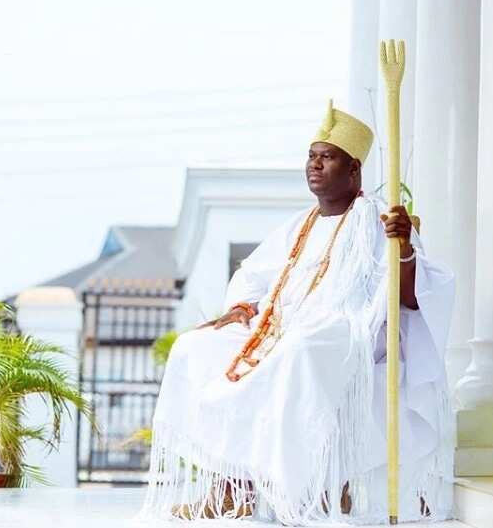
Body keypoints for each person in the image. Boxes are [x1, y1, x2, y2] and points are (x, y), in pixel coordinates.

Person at [136, 100, 456, 525]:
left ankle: (316, 491)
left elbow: (412, 298)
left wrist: (406, 250)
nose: (315, 165)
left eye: (328, 158)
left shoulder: (378, 220)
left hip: (349, 333)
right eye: (311, 156)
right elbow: (253, 277)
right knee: (197, 348)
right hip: (281, 329)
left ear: (354, 171)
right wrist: (240, 308)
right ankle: (231, 486)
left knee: (299, 351)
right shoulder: (298, 226)